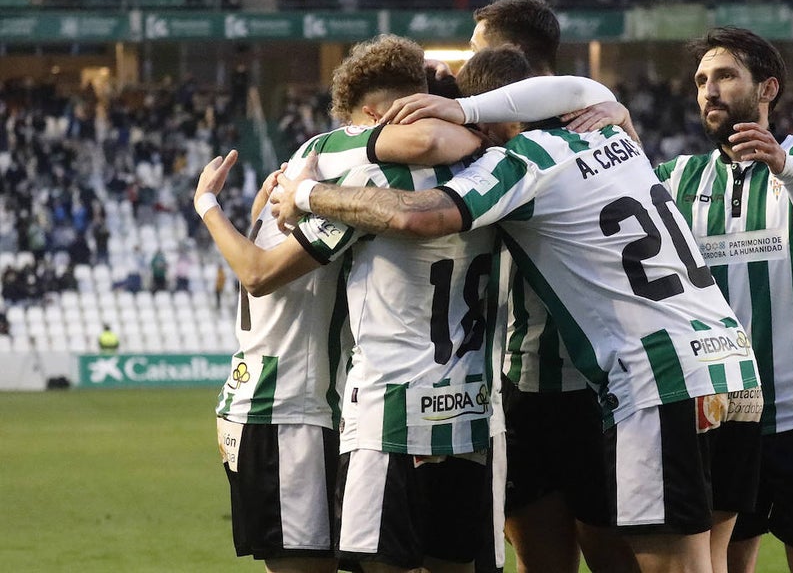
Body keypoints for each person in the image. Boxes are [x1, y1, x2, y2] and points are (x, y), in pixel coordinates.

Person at [273, 45, 763, 573]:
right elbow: (578, 88)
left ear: (494, 115)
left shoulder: (521, 165)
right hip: (734, 364)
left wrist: (308, 194)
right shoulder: (610, 131)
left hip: (659, 378)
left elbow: (421, 217)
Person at [563, 27, 793, 573]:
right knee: (724, 563)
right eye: (700, 81)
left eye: (724, 76)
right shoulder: (682, 174)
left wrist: (783, 166)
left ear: (767, 89)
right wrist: (621, 123)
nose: (708, 91)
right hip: (725, 404)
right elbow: (629, 198)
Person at [198, 35, 486, 573]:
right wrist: (478, 130)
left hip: (310, 405)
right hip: (284, 408)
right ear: (376, 117)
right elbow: (428, 143)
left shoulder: (295, 181)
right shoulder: (328, 155)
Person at [395, 0, 639, 573]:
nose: (467, 63)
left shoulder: (584, 127)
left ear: (512, 56)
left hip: (593, 385)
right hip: (521, 383)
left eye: (477, 47)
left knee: (612, 558)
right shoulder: (579, 121)